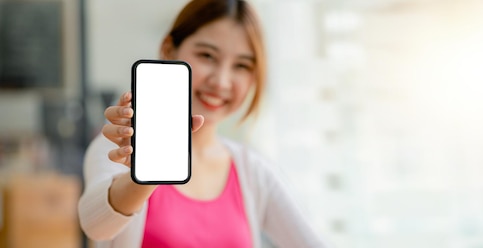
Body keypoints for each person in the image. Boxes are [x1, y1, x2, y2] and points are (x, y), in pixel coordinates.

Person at [78, 0, 326, 247]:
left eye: (241, 65)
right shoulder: (119, 150)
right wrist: (148, 172)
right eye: (207, 55)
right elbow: (96, 227)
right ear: (169, 50)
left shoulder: (253, 172)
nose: (221, 81)